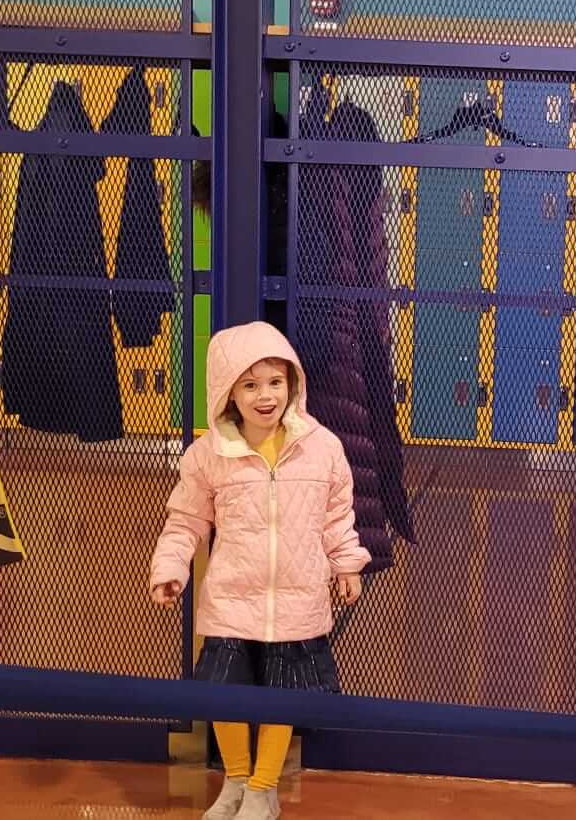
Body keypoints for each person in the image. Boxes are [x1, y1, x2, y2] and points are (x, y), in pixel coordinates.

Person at [148, 320, 369, 820]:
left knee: (282, 699)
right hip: (232, 599)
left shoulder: (322, 447)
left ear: (293, 382)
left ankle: (263, 789)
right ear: (228, 392)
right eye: (249, 385)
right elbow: (186, 520)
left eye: (275, 381)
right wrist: (170, 568)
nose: (265, 396)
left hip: (297, 600)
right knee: (226, 692)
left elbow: (337, 516)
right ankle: (236, 781)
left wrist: (347, 565)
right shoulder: (208, 454)